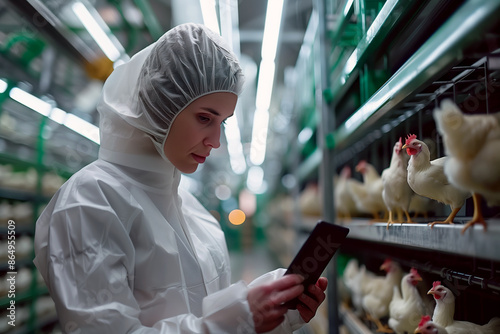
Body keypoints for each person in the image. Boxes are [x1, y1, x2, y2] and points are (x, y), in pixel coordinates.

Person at [33, 23, 327, 333]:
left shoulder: (189, 207)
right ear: (160, 106)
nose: (215, 141)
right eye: (204, 118)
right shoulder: (89, 201)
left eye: (222, 123)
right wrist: (238, 319)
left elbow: (205, 313)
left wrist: (272, 310)